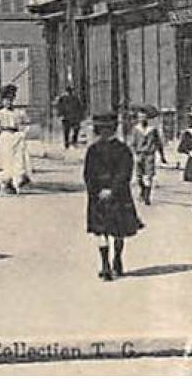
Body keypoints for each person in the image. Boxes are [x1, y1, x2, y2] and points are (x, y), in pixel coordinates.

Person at [84, 112, 142, 281]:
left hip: (105, 195)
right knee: (113, 231)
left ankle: (111, 261)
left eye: (107, 129)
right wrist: (109, 190)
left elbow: (89, 175)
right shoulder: (121, 149)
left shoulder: (95, 150)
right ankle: (109, 263)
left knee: (106, 231)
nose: (105, 132)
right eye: (103, 129)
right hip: (116, 195)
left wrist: (100, 191)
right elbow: (123, 173)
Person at [0, 84, 30, 195]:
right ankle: (6, 182)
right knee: (6, 161)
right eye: (6, 100)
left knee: (18, 161)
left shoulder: (18, 113)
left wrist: (23, 134)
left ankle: (19, 180)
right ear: (2, 101)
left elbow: (26, 125)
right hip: (4, 137)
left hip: (16, 138)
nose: (8, 102)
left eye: (11, 100)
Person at [130, 107, 166, 206]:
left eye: (144, 117)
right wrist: (134, 155)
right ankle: (142, 190)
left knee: (148, 176)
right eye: (140, 117)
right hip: (139, 154)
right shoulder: (136, 129)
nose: (142, 119)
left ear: (147, 118)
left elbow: (158, 143)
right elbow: (132, 143)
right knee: (139, 178)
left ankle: (147, 196)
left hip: (149, 155)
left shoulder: (153, 130)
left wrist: (162, 156)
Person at [56, 83, 86, 149]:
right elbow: (59, 107)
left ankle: (73, 141)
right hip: (68, 117)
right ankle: (67, 143)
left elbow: (79, 107)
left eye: (71, 91)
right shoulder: (63, 98)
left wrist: (81, 116)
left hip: (72, 117)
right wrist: (60, 115)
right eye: (69, 91)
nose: (70, 92)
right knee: (67, 131)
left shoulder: (75, 98)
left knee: (75, 130)